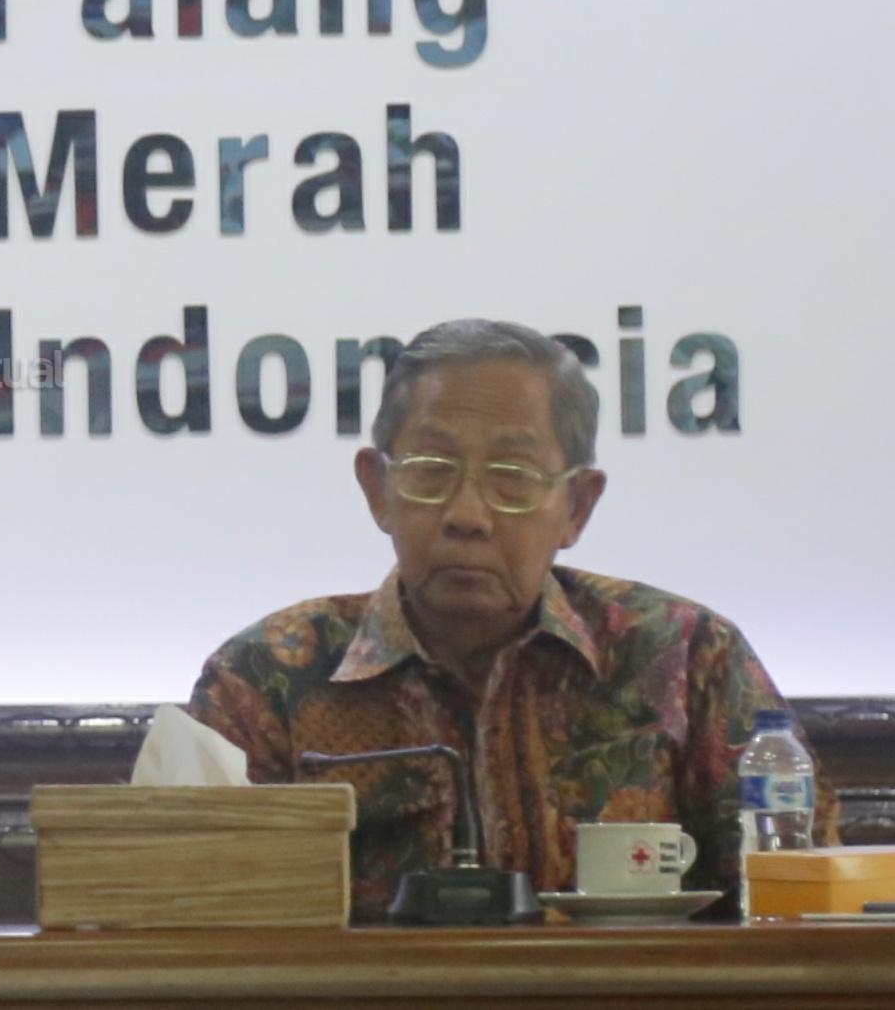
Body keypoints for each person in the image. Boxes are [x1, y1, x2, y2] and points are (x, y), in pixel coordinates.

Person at [187, 318, 835, 921]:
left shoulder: (686, 657)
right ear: (377, 490)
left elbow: (806, 908)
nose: (467, 515)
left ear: (577, 506)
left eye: (512, 477)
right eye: (432, 471)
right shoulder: (265, 681)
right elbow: (198, 929)